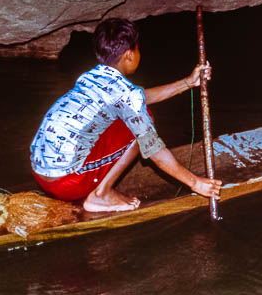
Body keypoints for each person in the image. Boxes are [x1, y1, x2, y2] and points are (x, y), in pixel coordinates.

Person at [30, 18, 223, 212]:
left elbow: (139, 97)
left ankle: (97, 186)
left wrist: (188, 83)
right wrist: (195, 182)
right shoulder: (125, 94)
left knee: (134, 116)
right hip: (66, 183)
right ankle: (100, 196)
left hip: (40, 172)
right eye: (138, 49)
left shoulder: (91, 77)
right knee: (142, 124)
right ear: (129, 55)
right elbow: (153, 150)